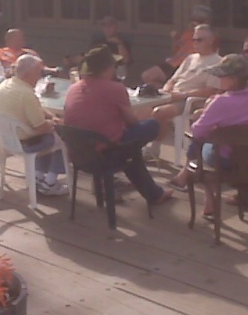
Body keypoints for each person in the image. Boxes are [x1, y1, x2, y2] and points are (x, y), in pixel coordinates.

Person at [63, 46, 174, 206]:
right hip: (106, 154)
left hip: (78, 154)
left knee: (130, 149)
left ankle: (152, 193)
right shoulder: (115, 88)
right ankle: (153, 194)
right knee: (150, 126)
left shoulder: (73, 88)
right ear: (108, 69)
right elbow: (131, 122)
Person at [168, 55, 248, 218]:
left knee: (199, 142)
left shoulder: (220, 102)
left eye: (220, 76)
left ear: (231, 79)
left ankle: (205, 194)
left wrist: (205, 113)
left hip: (224, 158)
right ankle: (191, 182)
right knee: (213, 141)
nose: (217, 79)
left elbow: (197, 131)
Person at [0, 54, 68, 196]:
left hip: (8, 139)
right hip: (25, 143)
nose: (41, 76)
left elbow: (36, 108)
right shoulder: (26, 94)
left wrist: (51, 117)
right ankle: (50, 182)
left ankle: (38, 177)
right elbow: (40, 127)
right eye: (39, 73)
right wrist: (56, 123)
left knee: (48, 133)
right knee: (62, 138)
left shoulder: (6, 84)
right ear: (27, 75)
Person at [145, 24, 222, 157]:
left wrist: (182, 95)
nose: (195, 43)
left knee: (158, 112)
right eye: (194, 40)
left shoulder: (217, 62)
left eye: (199, 40)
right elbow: (172, 80)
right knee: (139, 108)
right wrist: (165, 91)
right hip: (172, 95)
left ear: (211, 40)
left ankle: (154, 149)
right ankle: (137, 147)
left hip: (189, 101)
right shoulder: (190, 58)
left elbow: (210, 91)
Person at [141, 5, 213, 88]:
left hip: (188, 67)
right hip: (174, 63)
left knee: (179, 85)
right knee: (147, 75)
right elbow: (176, 52)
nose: (195, 22)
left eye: (199, 20)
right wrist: (175, 40)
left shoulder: (209, 36)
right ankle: (163, 93)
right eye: (194, 19)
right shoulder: (187, 33)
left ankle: (167, 92)